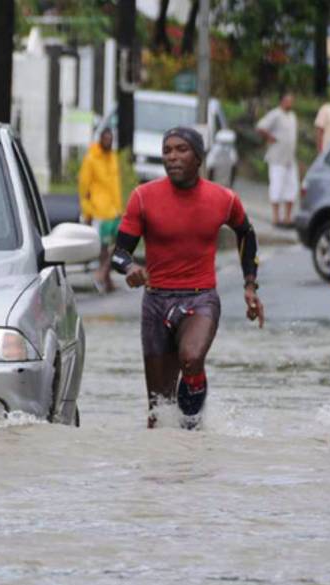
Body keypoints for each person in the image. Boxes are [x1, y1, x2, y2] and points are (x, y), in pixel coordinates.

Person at [110, 127, 264, 430]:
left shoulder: (223, 199)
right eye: (167, 150)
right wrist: (129, 269)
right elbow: (119, 253)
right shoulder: (143, 197)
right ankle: (171, 454)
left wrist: (250, 285)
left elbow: (246, 233)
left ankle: (193, 429)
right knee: (159, 409)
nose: (172, 157)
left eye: (181, 149)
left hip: (200, 298)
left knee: (191, 358)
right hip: (156, 301)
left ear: (199, 157)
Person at [78, 128, 124, 293]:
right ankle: (105, 278)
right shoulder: (91, 158)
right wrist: (87, 211)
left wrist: (120, 208)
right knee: (104, 247)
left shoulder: (113, 157)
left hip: (114, 210)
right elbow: (84, 188)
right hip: (99, 210)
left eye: (111, 139)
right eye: (106, 139)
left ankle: (102, 275)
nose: (108, 142)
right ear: (100, 139)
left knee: (120, 244)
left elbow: (116, 185)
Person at [256, 93, 299, 227]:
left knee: (292, 186)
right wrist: (269, 137)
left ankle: (287, 218)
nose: (289, 103)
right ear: (282, 101)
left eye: (291, 101)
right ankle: (276, 217)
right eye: (287, 100)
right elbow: (260, 126)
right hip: (277, 158)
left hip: (290, 158)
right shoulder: (275, 114)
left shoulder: (292, 116)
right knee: (277, 186)